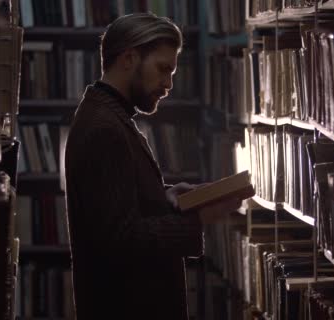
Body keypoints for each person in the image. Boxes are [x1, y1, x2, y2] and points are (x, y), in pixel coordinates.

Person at [64, 13, 242, 319]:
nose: (168, 84)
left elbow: (114, 203)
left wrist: (168, 197)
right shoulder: (104, 128)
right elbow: (120, 239)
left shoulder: (107, 115)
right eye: (163, 69)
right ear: (129, 59)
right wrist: (198, 218)